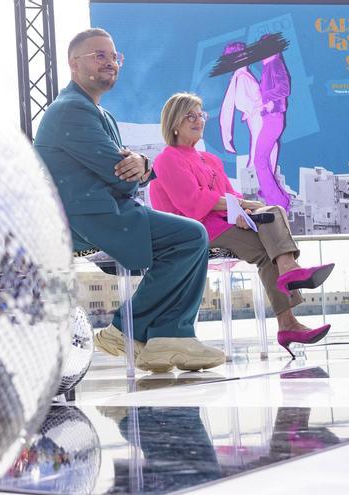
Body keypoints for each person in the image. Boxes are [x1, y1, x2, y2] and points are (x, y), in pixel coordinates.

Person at [34, 28, 224, 373]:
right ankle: (132, 330)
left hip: (105, 211)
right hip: (83, 219)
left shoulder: (99, 114)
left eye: (114, 56)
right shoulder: (70, 110)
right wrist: (137, 168)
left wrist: (142, 164)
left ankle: (164, 341)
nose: (110, 62)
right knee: (190, 236)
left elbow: (128, 171)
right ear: (73, 64)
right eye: (99, 55)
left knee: (187, 239)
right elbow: (117, 171)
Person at [150, 92, 333, 358]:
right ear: (174, 123)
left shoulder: (209, 160)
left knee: (274, 212)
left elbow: (229, 196)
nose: (198, 120)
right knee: (268, 241)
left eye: (200, 114)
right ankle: (288, 305)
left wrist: (244, 209)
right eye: (190, 115)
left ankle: (288, 288)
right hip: (192, 231)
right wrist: (243, 207)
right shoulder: (167, 159)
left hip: (218, 224)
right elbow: (192, 202)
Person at [219, 41, 290, 210]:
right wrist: (261, 106)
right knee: (261, 159)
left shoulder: (243, 75)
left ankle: (269, 197)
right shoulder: (242, 76)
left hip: (262, 118)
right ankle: (273, 200)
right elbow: (242, 102)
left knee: (263, 157)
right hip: (259, 119)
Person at [255, 41, 293, 210]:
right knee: (264, 160)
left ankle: (277, 201)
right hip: (272, 117)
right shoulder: (269, 64)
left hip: (274, 118)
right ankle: (279, 198)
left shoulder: (274, 63)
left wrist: (267, 98)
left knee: (260, 160)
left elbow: (284, 88)